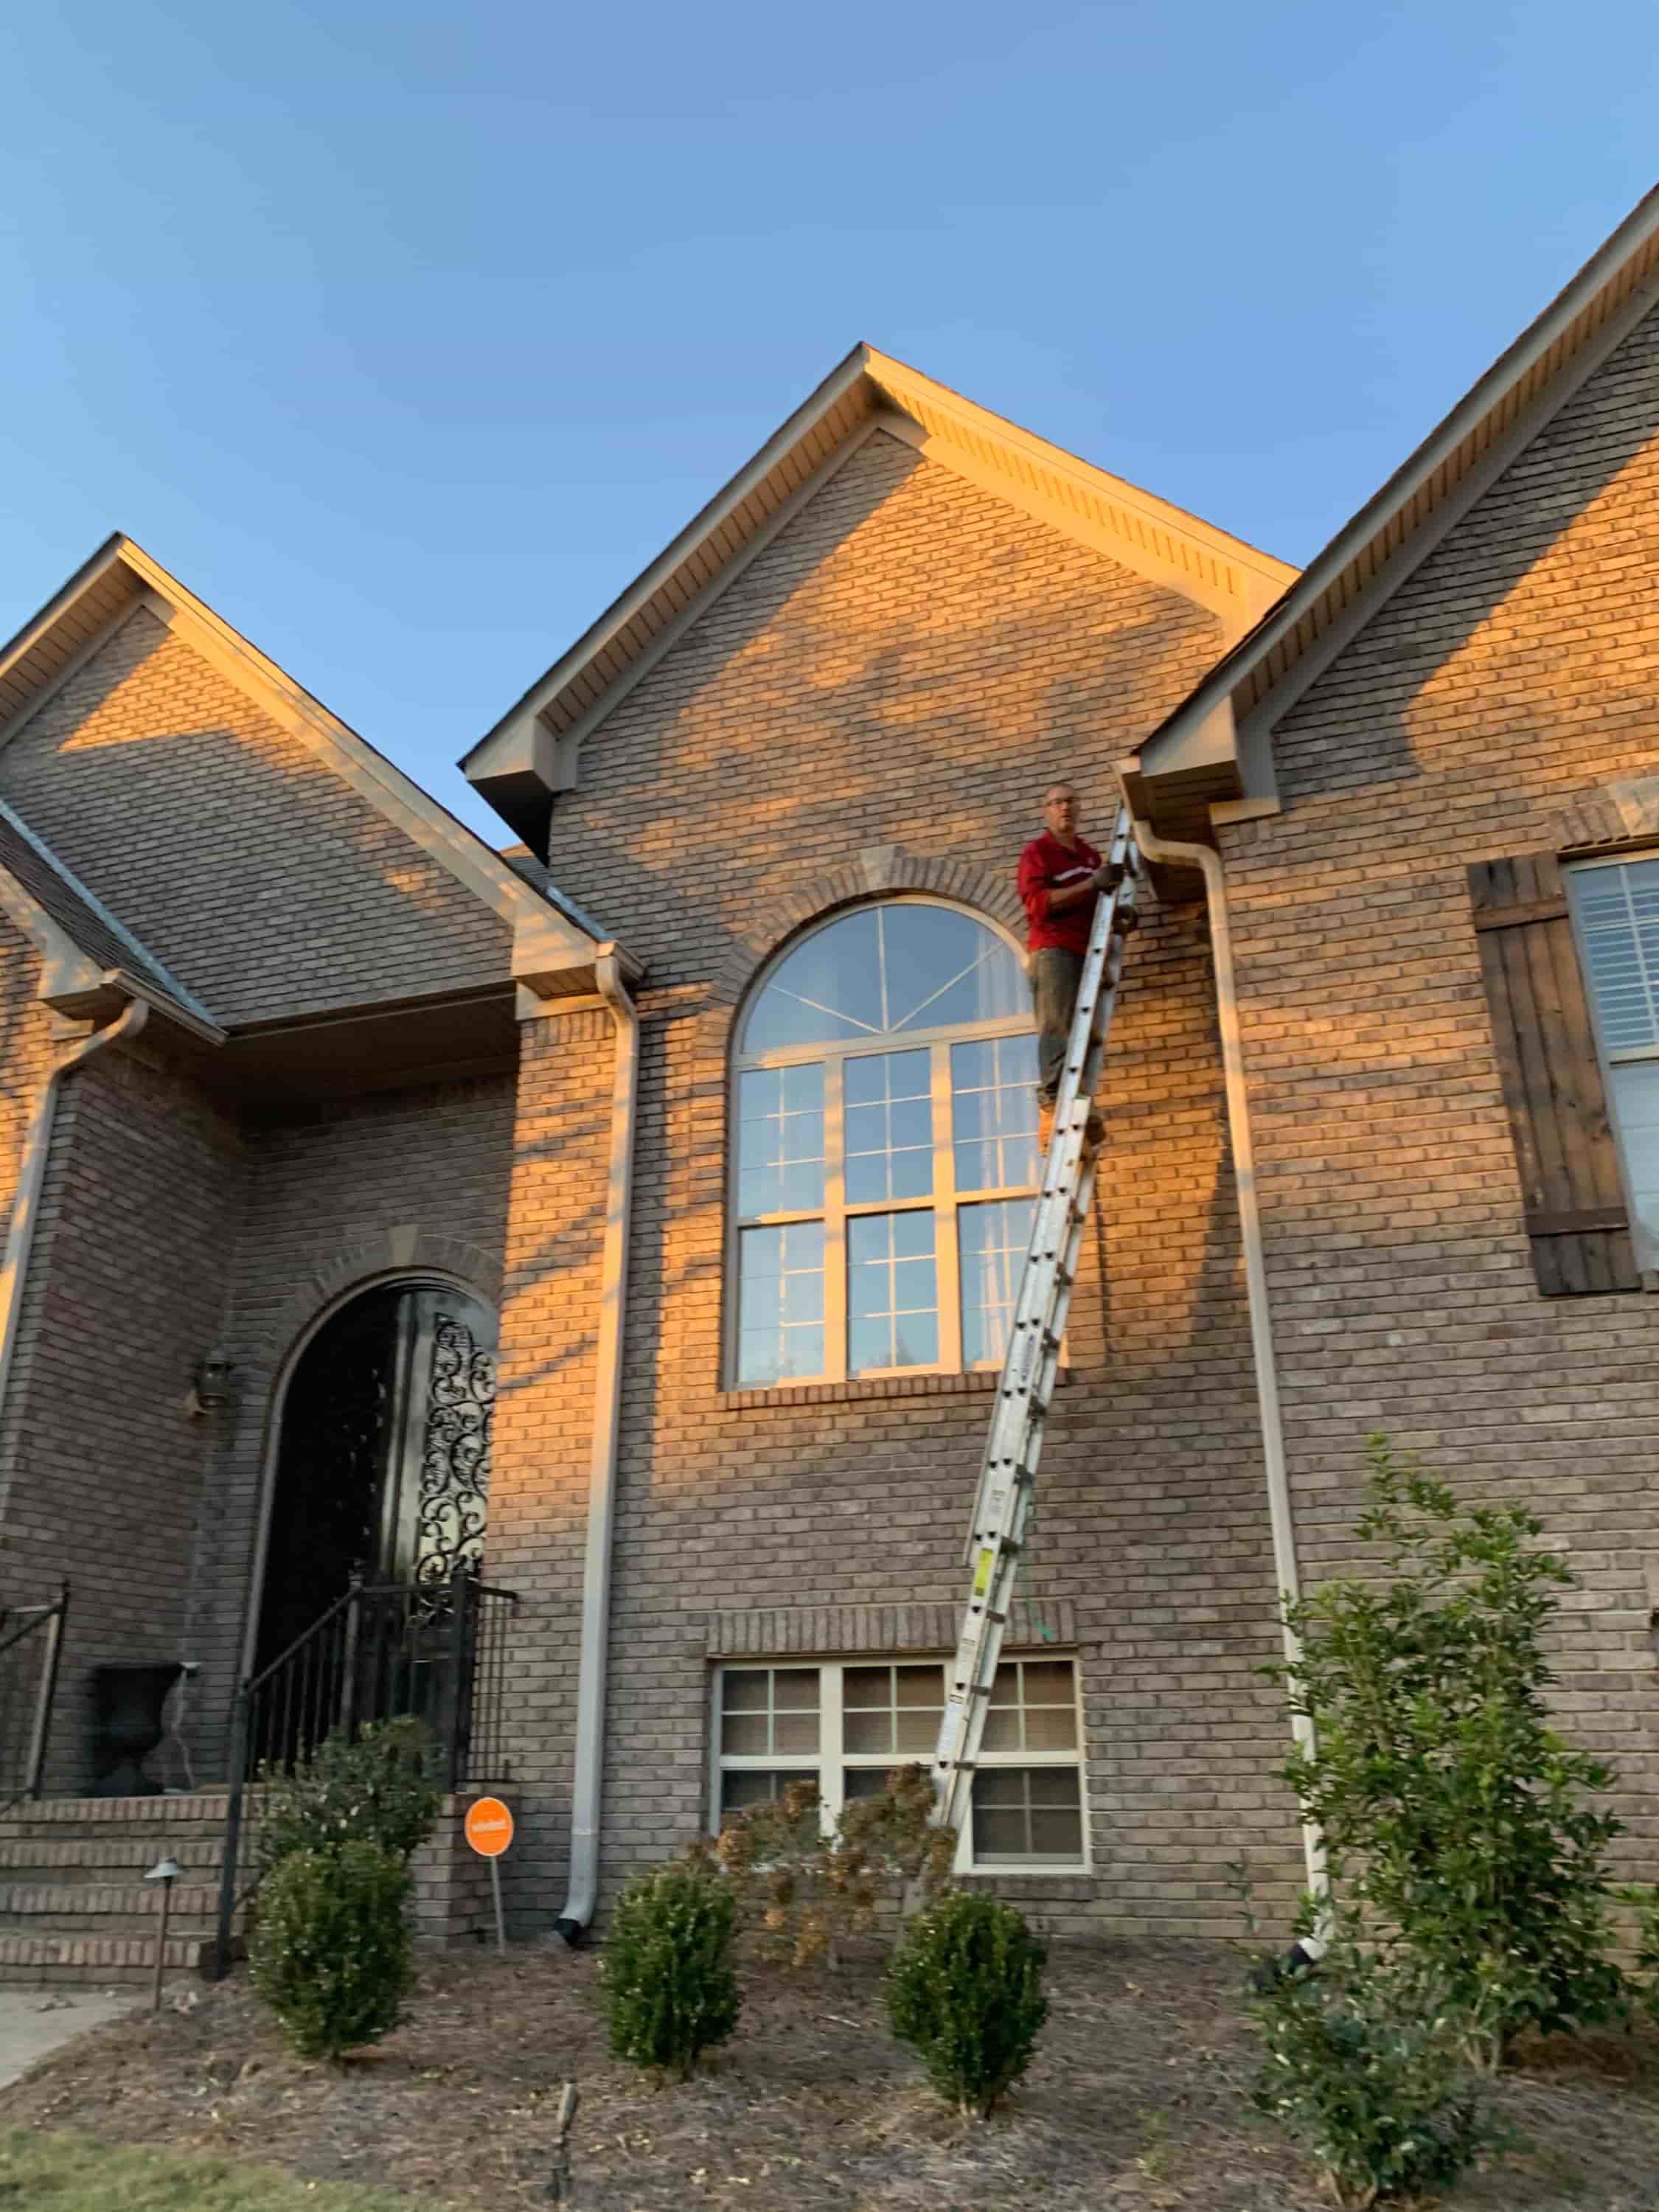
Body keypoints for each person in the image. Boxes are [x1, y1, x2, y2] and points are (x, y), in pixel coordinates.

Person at [1016, 781, 1121, 1149]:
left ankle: (1080, 1105)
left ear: (1080, 808)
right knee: (1057, 1027)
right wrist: (1092, 885)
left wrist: (1119, 915)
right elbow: (1038, 905)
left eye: (1071, 801)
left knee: (1082, 1035)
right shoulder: (1038, 853)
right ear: (1046, 811)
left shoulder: (1089, 856)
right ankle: (1051, 1109)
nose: (1065, 808)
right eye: (1057, 803)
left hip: (1087, 951)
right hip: (1055, 949)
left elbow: (1096, 905)